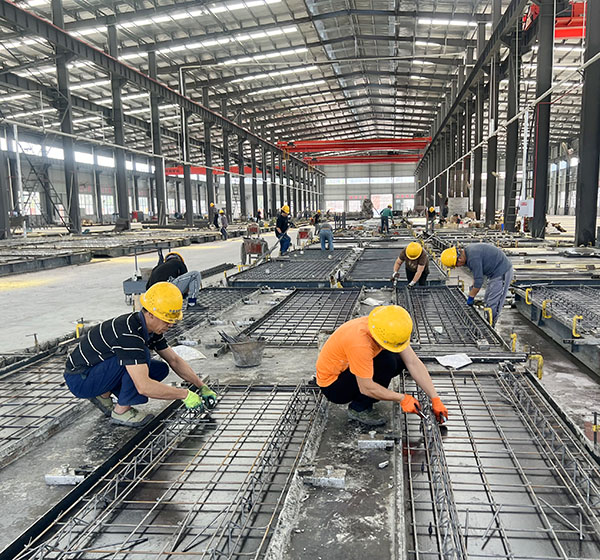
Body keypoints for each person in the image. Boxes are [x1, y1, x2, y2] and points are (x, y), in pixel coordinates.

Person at [63, 282, 217, 427]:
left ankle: (103, 394)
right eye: (166, 320)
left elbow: (174, 360)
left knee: (159, 369)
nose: (170, 325)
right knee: (140, 357)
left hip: (96, 371)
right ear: (150, 314)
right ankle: (121, 412)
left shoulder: (148, 327)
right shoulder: (129, 334)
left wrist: (201, 386)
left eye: (172, 321)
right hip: (80, 379)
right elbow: (144, 387)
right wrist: (184, 395)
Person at [316, 306, 448, 426]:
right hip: (334, 387)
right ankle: (358, 408)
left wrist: (435, 398)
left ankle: (370, 397)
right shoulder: (360, 344)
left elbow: (413, 362)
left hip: (347, 369)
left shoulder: (383, 326)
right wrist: (402, 398)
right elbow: (366, 388)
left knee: (397, 358)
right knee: (387, 362)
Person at [441, 244, 514, 326]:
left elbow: (479, 282)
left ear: (459, 259)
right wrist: (473, 288)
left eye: (456, 265)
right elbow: (476, 275)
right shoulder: (468, 253)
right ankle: (488, 321)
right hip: (493, 273)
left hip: (502, 271)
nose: (458, 267)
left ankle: (491, 325)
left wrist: (471, 296)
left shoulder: (473, 258)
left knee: (493, 302)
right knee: (487, 299)